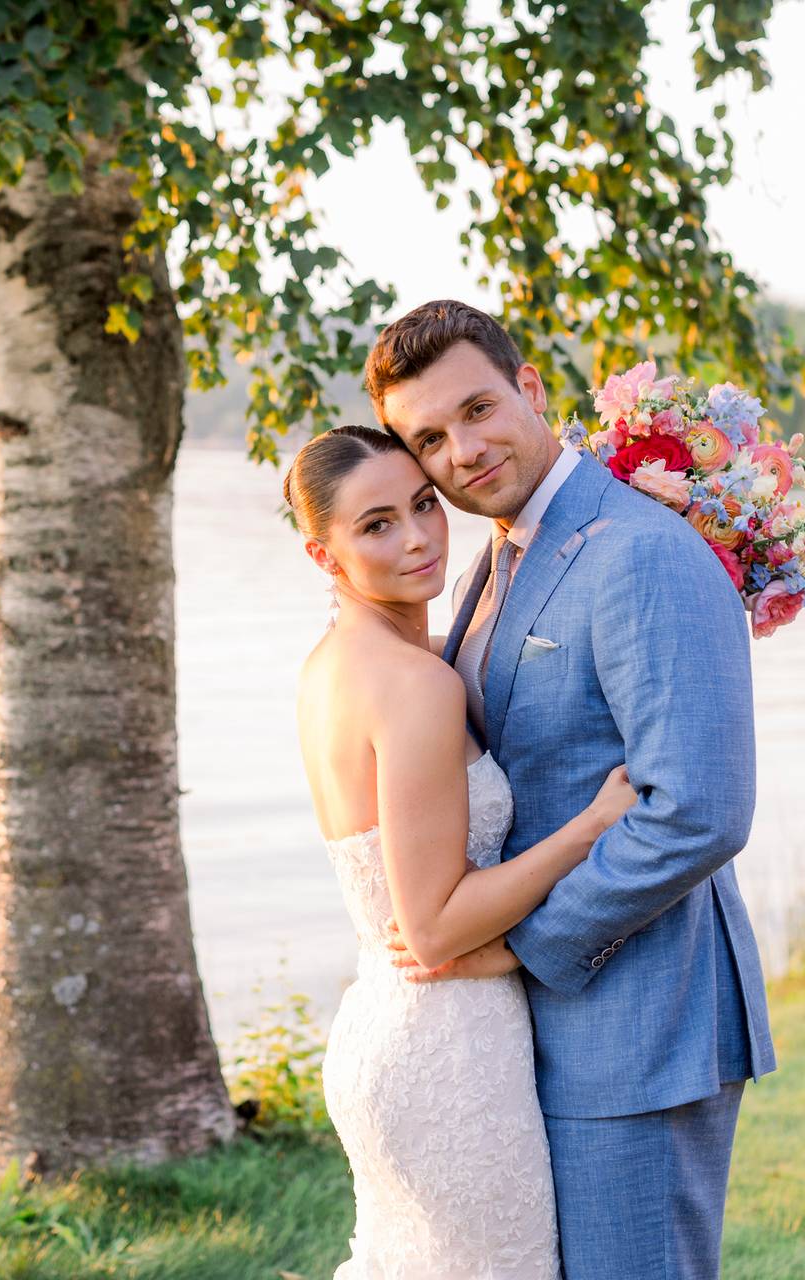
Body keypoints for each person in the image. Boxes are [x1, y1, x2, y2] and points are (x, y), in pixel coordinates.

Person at [370, 300, 776, 1280]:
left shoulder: (642, 550)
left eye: (477, 408)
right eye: (429, 437)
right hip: (536, 1035)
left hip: (642, 1026)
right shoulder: (498, 558)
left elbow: (698, 809)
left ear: (532, 387)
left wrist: (522, 943)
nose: (462, 449)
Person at [288, 423, 639, 1278]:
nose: (415, 537)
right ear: (323, 554)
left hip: (390, 1028)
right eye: (375, 525)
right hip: (450, 1055)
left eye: (421, 506)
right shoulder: (416, 685)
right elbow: (436, 925)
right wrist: (588, 830)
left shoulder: (335, 664)